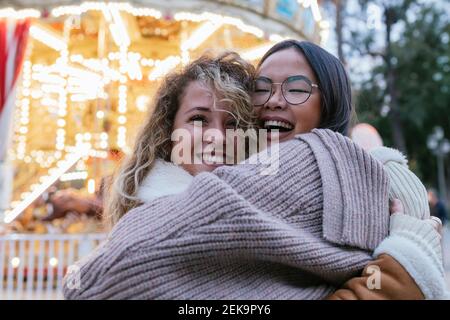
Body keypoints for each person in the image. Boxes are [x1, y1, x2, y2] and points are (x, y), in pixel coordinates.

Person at [63, 46, 448, 300]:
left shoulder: (373, 196)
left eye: (233, 123)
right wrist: (404, 267)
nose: (217, 136)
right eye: (262, 90)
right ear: (167, 136)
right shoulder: (155, 218)